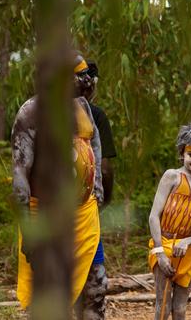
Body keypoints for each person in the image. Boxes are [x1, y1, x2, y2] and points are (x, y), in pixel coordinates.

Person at [12, 53, 103, 310]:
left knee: (96, 287)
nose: (87, 80)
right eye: (80, 74)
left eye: (87, 74)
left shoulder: (82, 106)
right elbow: (20, 172)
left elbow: (94, 142)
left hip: (85, 216)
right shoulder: (31, 113)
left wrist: (97, 189)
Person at [147, 121, 191, 319]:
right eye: (190, 154)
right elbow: (153, 216)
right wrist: (159, 252)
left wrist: (187, 241)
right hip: (165, 246)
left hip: (188, 251)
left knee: (180, 309)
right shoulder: (172, 177)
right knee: (163, 305)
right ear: (182, 154)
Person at [72, 58, 117, 319]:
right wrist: (104, 200)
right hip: (86, 208)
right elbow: (105, 168)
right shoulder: (94, 115)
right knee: (92, 277)